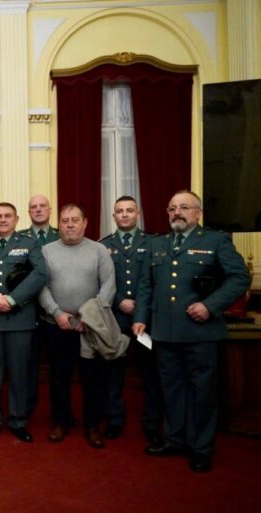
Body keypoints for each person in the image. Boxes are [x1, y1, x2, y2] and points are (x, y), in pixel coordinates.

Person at [134, 190, 249, 472]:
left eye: (184, 207)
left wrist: (210, 306)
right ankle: (175, 440)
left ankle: (201, 447)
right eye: (172, 208)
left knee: (202, 393)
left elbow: (239, 277)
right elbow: (146, 286)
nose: (177, 212)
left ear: (198, 213)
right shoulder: (157, 244)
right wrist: (141, 318)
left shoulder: (215, 241)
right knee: (171, 390)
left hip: (201, 332)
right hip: (164, 332)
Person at [39, 203, 116, 449]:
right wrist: (57, 312)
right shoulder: (46, 250)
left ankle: (93, 426)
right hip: (57, 324)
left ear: (85, 223)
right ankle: (61, 422)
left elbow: (108, 286)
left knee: (93, 378)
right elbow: (41, 286)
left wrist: (90, 317)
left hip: (90, 328)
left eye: (75, 220)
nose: (70, 225)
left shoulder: (99, 250)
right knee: (59, 377)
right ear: (58, 224)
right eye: (65, 221)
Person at [0, 202, 46, 442]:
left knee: (19, 374)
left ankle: (18, 420)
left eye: (7, 216)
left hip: (19, 320)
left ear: (16, 219)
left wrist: (13, 299)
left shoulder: (29, 243)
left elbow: (40, 274)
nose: (3, 220)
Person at [99, 196, 163, 445]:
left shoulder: (154, 243)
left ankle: (152, 422)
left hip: (146, 321)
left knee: (150, 372)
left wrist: (141, 307)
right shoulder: (103, 246)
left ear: (138, 212)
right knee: (113, 372)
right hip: (116, 320)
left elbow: (158, 279)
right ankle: (114, 419)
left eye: (129, 210)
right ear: (113, 216)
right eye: (119, 211)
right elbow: (100, 281)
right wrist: (118, 301)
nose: (124, 215)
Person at [19, 194, 61, 421]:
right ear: (28, 212)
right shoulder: (21, 239)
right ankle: (26, 407)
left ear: (50, 209)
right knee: (28, 363)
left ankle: (59, 412)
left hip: (57, 308)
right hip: (28, 309)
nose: (38, 210)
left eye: (42, 206)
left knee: (58, 364)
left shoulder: (61, 235)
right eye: (33, 207)